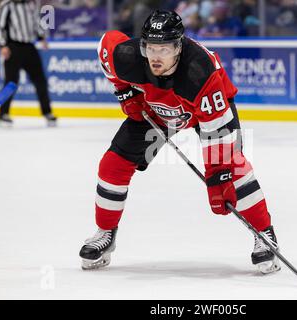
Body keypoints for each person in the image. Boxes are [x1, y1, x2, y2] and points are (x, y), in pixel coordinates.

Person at [79, 10, 280, 274]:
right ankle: (105, 232)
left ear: (178, 46)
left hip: (205, 112)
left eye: (163, 49)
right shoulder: (128, 57)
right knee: (112, 165)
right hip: (157, 108)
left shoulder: (199, 72)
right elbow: (106, 45)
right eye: (150, 48)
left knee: (234, 169)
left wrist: (218, 178)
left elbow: (218, 134)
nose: (155, 56)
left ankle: (264, 234)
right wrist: (124, 91)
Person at [0, 0, 57, 127]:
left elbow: (35, 22)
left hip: (29, 46)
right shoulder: (7, 5)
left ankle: (47, 112)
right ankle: (3, 114)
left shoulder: (31, 3)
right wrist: (2, 45)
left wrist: (41, 38)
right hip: (13, 47)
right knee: (10, 82)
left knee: (40, 80)